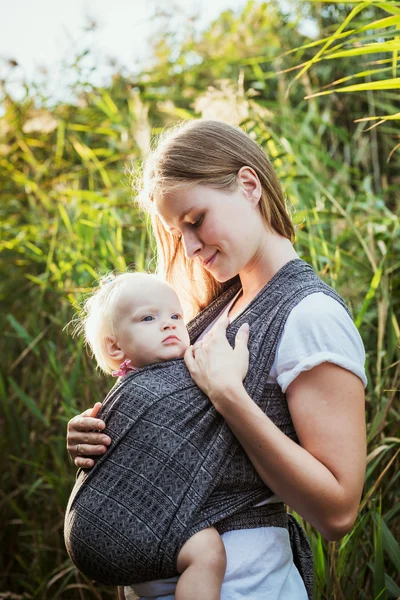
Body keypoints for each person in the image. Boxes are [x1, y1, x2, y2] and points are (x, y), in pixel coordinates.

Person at [67, 119, 367, 600]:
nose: (188, 246)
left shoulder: (310, 315)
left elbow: (337, 512)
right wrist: (102, 432)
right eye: (175, 231)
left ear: (249, 186)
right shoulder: (207, 312)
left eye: (195, 219)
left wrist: (230, 395)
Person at [69, 270, 232, 600]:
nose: (170, 324)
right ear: (115, 348)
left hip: (137, 539)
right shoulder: (124, 397)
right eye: (148, 318)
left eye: (176, 315)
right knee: (209, 553)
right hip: (126, 526)